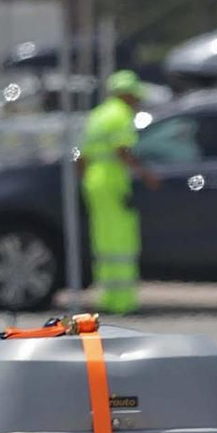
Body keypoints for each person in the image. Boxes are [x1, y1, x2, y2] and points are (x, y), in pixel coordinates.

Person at [79, 68, 146, 316]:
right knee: (122, 242)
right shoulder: (120, 115)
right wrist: (146, 174)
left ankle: (107, 298)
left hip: (94, 180)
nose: (137, 102)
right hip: (112, 179)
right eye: (135, 96)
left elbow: (81, 158)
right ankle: (123, 302)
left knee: (104, 242)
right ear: (126, 94)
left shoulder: (97, 115)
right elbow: (122, 151)